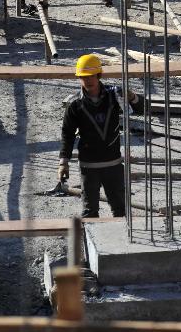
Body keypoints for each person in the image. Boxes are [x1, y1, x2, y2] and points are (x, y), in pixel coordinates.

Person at [58, 54, 143, 218]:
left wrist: (132, 97)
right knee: (90, 213)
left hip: (113, 164)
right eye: (83, 77)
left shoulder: (114, 96)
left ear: (99, 75)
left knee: (120, 211)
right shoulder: (76, 104)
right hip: (89, 166)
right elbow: (67, 133)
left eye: (90, 76)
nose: (87, 81)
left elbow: (143, 109)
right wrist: (63, 162)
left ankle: (121, 244)